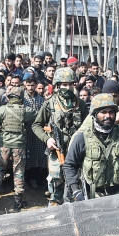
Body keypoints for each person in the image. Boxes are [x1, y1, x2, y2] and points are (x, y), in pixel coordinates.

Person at [63, 93, 119, 199]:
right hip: (94, 195)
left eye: (111, 112)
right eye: (103, 112)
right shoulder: (82, 138)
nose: (108, 116)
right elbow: (69, 165)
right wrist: (76, 191)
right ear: (95, 114)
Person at [31, 67, 88, 205]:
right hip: (57, 153)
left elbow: (88, 126)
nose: (68, 88)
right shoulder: (49, 104)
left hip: (76, 154)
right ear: (57, 85)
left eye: (70, 84)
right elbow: (36, 125)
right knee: (55, 190)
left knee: (76, 188)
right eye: (64, 85)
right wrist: (48, 139)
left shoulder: (80, 104)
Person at [0, 86, 36, 212]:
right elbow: (37, 117)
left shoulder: (3, 109)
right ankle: (17, 203)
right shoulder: (26, 110)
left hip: (4, 144)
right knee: (18, 172)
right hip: (19, 146)